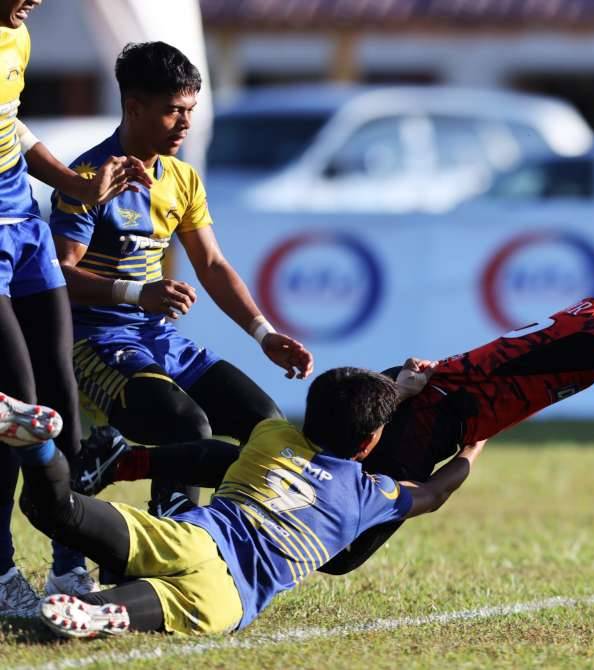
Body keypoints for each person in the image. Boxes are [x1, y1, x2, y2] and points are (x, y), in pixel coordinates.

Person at [77, 225, 594, 577]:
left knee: (296, 479)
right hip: (417, 413)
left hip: (419, 403)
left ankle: (134, 464)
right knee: (332, 545)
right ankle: (137, 472)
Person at [2, 367, 484, 637]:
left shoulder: (272, 436)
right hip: (230, 595)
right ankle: (103, 612)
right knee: (157, 605)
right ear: (368, 445)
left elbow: (352, 413)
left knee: (56, 510)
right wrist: (471, 446)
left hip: (191, 537)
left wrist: (397, 388)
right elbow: (437, 492)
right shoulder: (369, 495)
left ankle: (37, 444)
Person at [48, 41, 313, 523]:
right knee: (188, 424)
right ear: (133, 107)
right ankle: (173, 532)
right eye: (173, 111)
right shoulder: (89, 177)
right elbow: (59, 275)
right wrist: (137, 294)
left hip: (157, 338)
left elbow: (211, 264)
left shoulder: (183, 178)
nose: (186, 123)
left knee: (267, 425)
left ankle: (221, 534)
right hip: (93, 343)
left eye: (190, 109)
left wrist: (263, 332)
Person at [0, 0, 153, 614]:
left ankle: (69, 560)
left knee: (59, 395)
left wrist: (75, 183)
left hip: (23, 223)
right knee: (14, 407)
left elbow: (13, 124)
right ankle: (1, 572)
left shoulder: (17, 32)